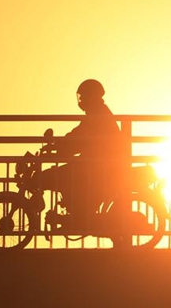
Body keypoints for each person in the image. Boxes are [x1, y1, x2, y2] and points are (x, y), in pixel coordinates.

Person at [36, 79, 126, 228]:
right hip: (97, 163)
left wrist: (59, 145)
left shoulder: (97, 114)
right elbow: (79, 136)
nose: (81, 99)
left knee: (62, 175)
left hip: (99, 165)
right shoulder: (97, 112)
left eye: (84, 96)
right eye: (80, 96)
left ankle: (78, 218)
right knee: (66, 173)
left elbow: (80, 138)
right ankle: (76, 214)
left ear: (91, 96)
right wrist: (60, 145)